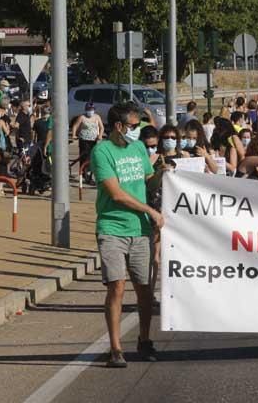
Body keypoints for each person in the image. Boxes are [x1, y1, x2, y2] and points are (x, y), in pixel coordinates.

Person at [90, 103, 165, 367]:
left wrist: (165, 176)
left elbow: (148, 179)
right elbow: (116, 193)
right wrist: (149, 210)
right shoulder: (102, 152)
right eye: (133, 126)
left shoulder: (138, 148)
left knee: (145, 290)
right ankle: (115, 348)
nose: (136, 131)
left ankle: (144, 340)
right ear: (119, 126)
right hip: (112, 228)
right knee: (117, 286)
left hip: (141, 229)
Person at [71, 103, 104, 181]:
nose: (90, 111)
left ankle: (89, 172)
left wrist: (100, 135)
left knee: (92, 157)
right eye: (89, 110)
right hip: (84, 140)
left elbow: (101, 127)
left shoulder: (97, 117)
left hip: (93, 140)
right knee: (84, 157)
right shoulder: (82, 117)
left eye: (92, 110)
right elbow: (75, 126)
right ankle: (83, 173)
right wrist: (73, 135)